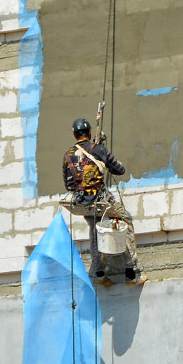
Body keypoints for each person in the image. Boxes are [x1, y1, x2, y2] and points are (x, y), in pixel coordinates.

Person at [62, 117, 144, 286]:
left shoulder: (67, 156)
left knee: (94, 232)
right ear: (89, 132)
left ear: (75, 135)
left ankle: (99, 274)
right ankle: (132, 273)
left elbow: (69, 184)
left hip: (82, 203)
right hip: (100, 200)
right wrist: (102, 156)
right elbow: (119, 170)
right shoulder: (97, 149)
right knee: (125, 221)